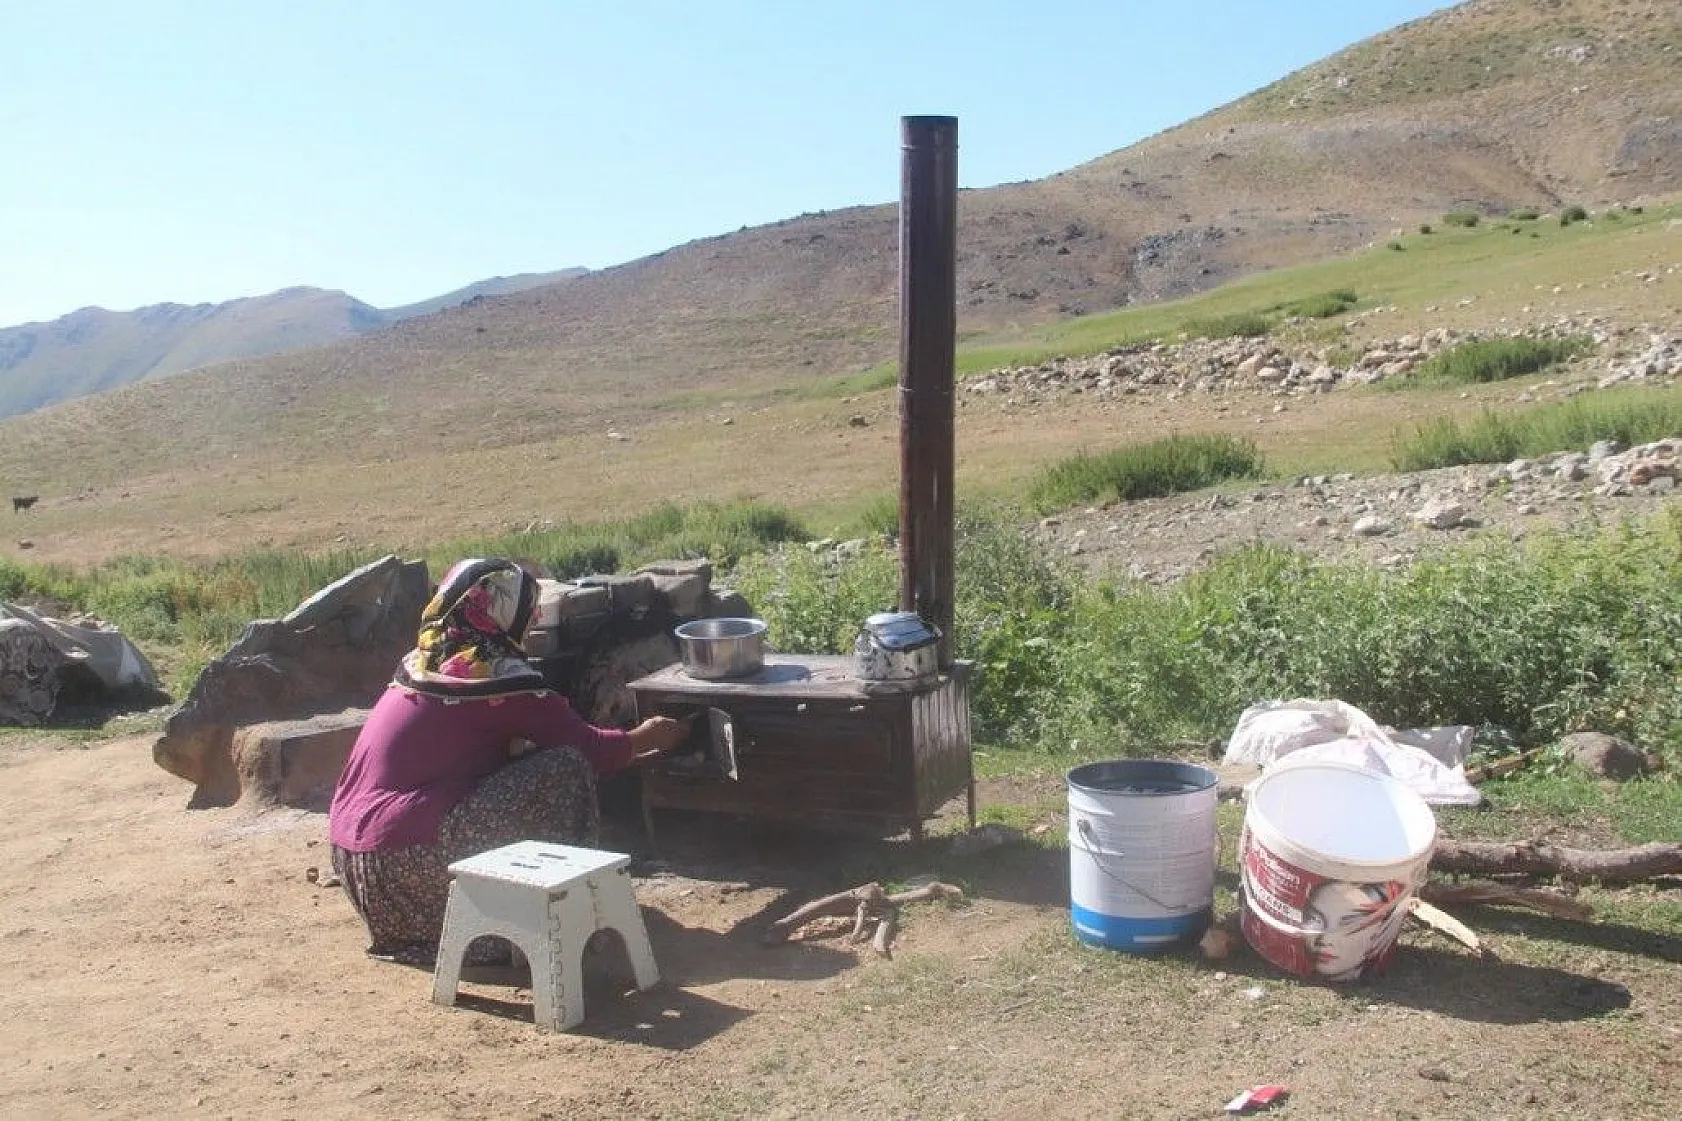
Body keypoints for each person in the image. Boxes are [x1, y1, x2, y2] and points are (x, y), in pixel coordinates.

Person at [327, 557, 691, 964]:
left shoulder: (422, 662)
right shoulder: (495, 676)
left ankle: (487, 914)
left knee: (525, 764)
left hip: (358, 869)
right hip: (406, 864)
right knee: (563, 768)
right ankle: (546, 918)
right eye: (527, 610)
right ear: (502, 612)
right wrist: (650, 736)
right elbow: (591, 751)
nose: (533, 619)